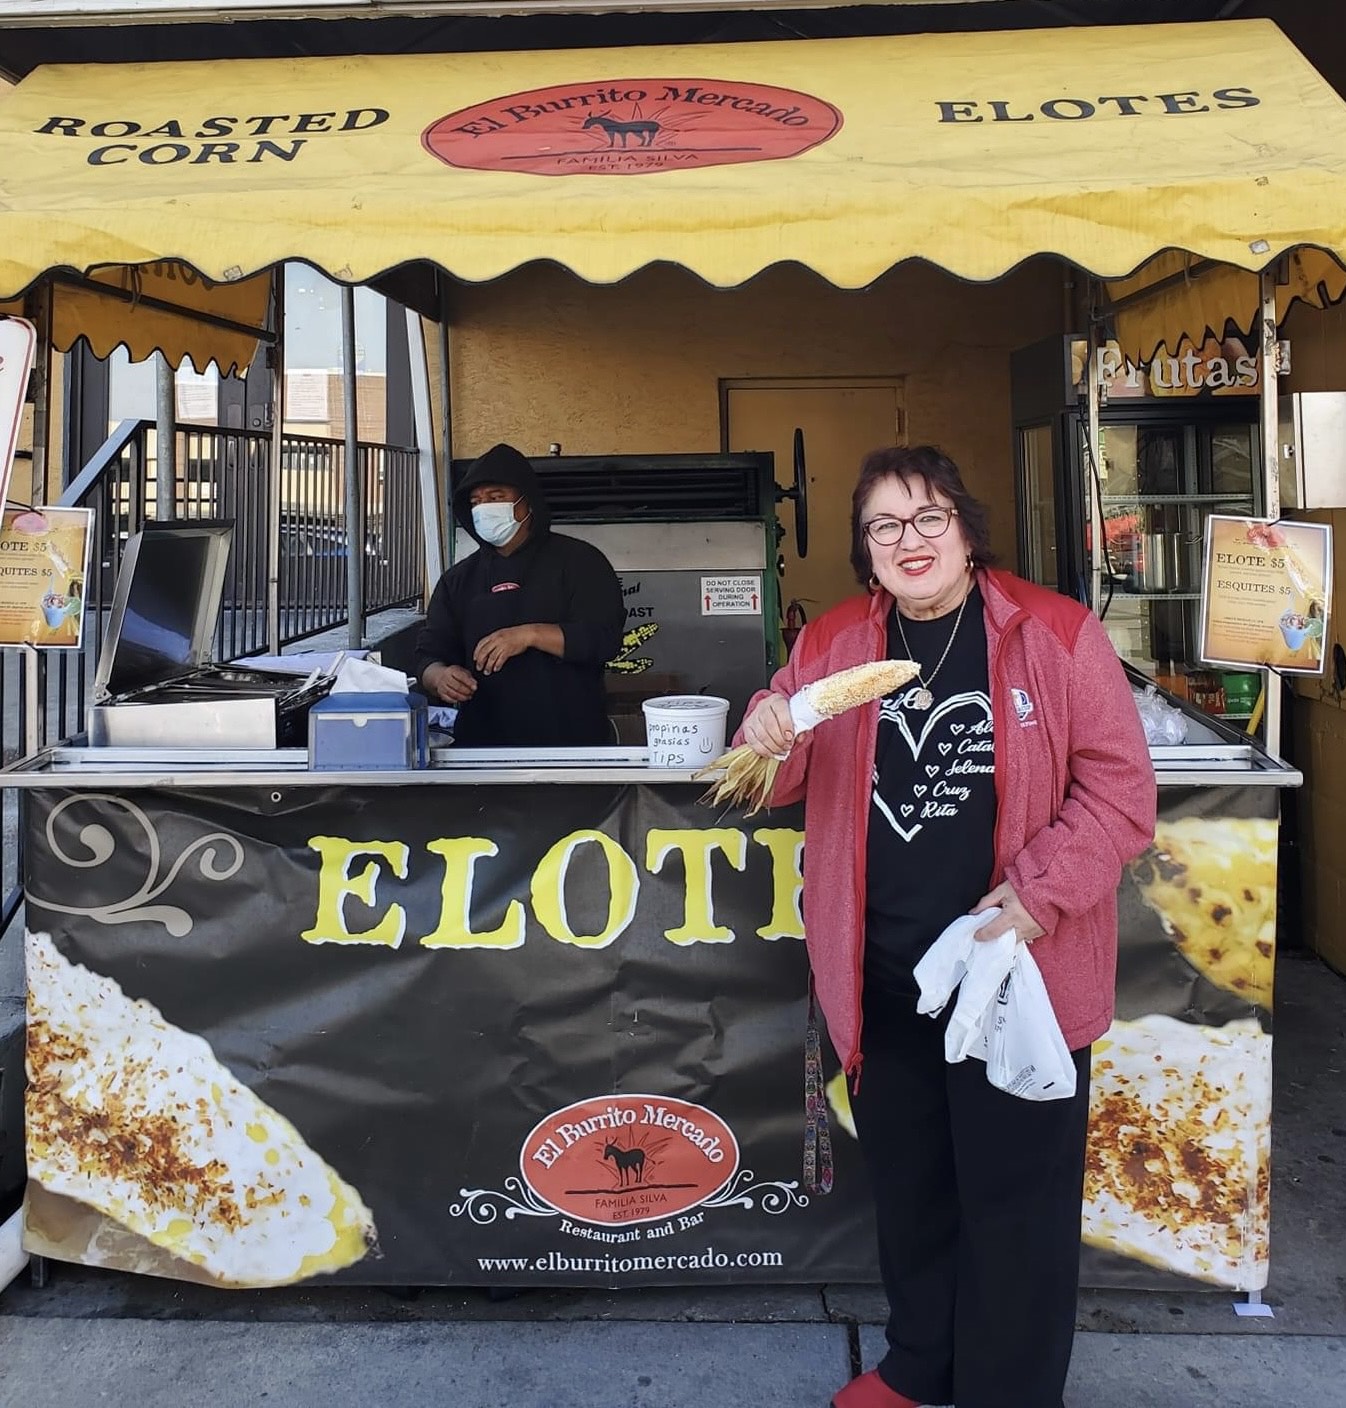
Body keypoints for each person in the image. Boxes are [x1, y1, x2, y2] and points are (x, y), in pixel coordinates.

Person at [736, 445, 1155, 1408]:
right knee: (916, 1194)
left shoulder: (1054, 633)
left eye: (929, 518)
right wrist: (768, 723)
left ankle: (1010, 1390)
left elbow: (1123, 795)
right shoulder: (837, 640)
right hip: (881, 976)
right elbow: (777, 779)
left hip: (1014, 975)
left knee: (1016, 1207)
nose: (909, 540)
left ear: (966, 529)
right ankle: (922, 1367)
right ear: (865, 549)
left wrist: (1036, 896)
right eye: (886, 526)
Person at [414, 442, 625, 747]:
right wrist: (441, 677)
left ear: (528, 503)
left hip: (573, 741)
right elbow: (429, 655)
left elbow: (604, 639)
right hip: (483, 745)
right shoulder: (458, 580)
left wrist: (529, 635)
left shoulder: (580, 561)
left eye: (496, 498)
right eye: (476, 502)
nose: (484, 507)